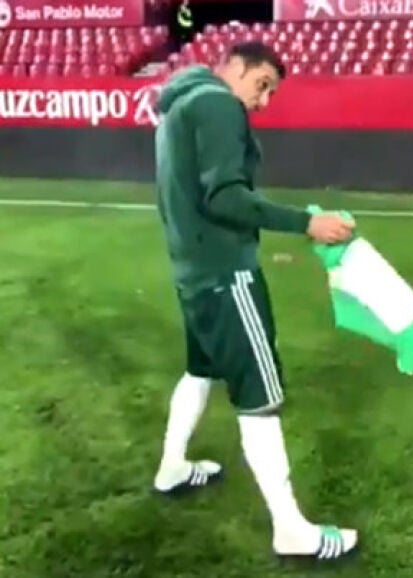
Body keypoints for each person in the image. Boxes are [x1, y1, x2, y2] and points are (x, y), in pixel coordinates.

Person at [151, 41, 358, 561]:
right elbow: (225, 196)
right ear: (234, 68)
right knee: (259, 395)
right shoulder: (217, 103)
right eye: (261, 85)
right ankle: (291, 530)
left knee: (200, 370)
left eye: (270, 93)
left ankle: (172, 466)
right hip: (226, 274)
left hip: (192, 272)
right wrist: (306, 223)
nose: (263, 101)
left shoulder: (177, 103)